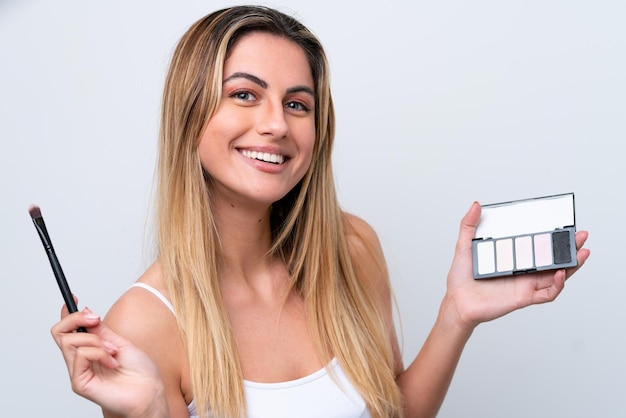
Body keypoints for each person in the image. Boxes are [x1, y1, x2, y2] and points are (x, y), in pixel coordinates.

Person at [50, 5, 590, 418]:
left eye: (296, 103)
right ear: (189, 116)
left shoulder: (353, 248)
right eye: (244, 95)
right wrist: (147, 413)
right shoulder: (143, 324)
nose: (277, 125)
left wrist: (456, 315)